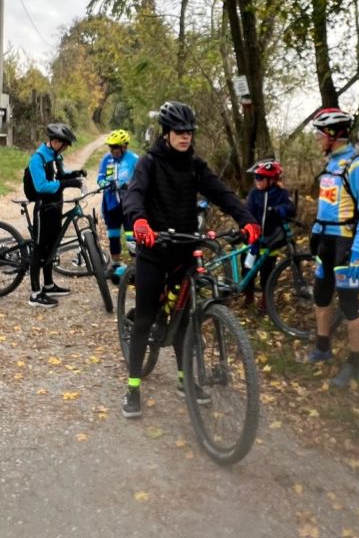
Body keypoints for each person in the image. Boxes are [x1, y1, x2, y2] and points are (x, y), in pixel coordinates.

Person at [120, 101, 261, 419]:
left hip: (184, 246)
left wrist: (246, 219)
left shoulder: (195, 165)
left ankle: (186, 380)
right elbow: (134, 194)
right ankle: (133, 388)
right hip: (154, 248)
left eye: (189, 131)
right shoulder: (149, 163)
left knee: (185, 319)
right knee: (144, 319)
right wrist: (139, 222)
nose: (185, 136)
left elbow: (222, 193)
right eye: (179, 131)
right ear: (166, 132)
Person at [307, 107, 359, 389]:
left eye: (319, 133)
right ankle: (322, 348)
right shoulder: (331, 165)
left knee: (349, 304)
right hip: (325, 243)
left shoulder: (358, 166)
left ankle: (354, 364)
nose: (316, 139)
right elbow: (327, 205)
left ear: (332, 134)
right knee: (321, 296)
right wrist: (316, 235)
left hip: (346, 245)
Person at [25, 122, 85, 309]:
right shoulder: (38, 158)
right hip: (43, 210)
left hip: (56, 208)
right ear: (56, 142)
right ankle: (35, 294)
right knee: (39, 249)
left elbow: (60, 176)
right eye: (65, 144)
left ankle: (49, 285)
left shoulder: (56, 156)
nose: (66, 148)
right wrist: (67, 184)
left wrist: (75, 174)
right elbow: (41, 186)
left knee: (52, 247)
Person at [243, 158, 294, 311]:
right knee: (247, 270)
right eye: (256, 177)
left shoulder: (281, 194)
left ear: (272, 179)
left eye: (260, 178)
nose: (257, 181)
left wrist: (281, 209)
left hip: (271, 241)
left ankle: (266, 301)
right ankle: (248, 296)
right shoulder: (254, 194)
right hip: (253, 241)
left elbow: (291, 209)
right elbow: (247, 212)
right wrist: (248, 230)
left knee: (267, 274)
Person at [96, 129, 140, 275]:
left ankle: (135, 267)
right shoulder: (106, 159)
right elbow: (100, 178)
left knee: (131, 237)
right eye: (111, 147)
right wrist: (105, 183)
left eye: (115, 147)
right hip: (111, 203)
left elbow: (142, 179)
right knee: (113, 236)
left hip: (129, 204)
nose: (112, 150)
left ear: (124, 146)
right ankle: (114, 264)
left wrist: (130, 185)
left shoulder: (134, 159)